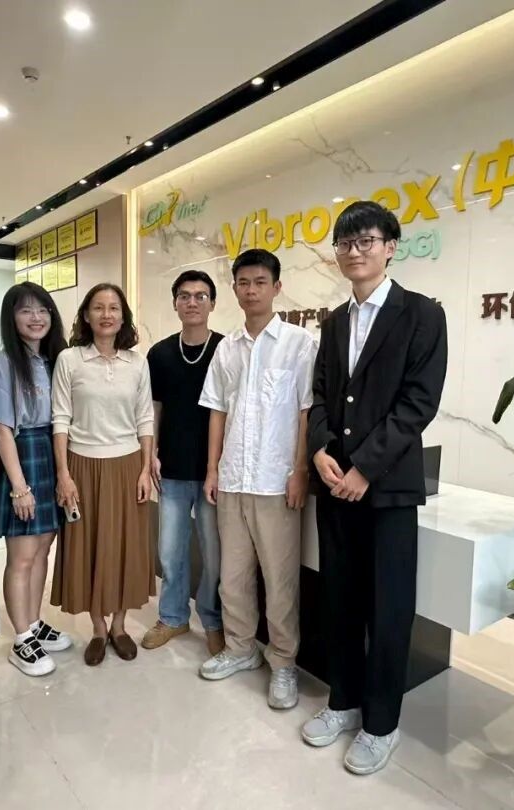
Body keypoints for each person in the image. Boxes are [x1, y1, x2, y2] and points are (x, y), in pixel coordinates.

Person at [302, 200, 447, 775]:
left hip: (386, 489)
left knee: (388, 608)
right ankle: (343, 700)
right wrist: (319, 449)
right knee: (339, 598)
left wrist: (364, 467)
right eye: (345, 243)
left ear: (390, 247)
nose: (354, 251)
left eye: (366, 241)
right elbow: (320, 394)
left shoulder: (422, 314)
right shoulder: (335, 320)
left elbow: (418, 403)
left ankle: (381, 723)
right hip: (334, 484)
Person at [198, 248, 316, 711]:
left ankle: (283, 662)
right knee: (233, 576)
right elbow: (217, 411)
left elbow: (306, 411)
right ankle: (241, 647)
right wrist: (213, 469)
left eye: (260, 282)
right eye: (243, 283)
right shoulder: (226, 348)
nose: (251, 291)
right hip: (233, 479)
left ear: (277, 287)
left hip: (275, 482)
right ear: (234, 289)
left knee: (280, 580)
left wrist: (300, 470)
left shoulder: (299, 343)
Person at [50, 283, 156, 666]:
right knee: (90, 547)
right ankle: (97, 627)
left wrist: (145, 469)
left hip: (128, 465)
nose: (106, 314)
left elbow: (145, 417)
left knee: (127, 547)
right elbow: (60, 418)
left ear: (123, 316)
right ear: (86, 315)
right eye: (98, 307)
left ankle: (120, 626)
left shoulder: (137, 363)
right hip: (82, 464)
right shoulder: (70, 360)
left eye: (113, 308)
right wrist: (63, 474)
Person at [0, 282, 72, 678]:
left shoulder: (55, 359)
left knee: (42, 549)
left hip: (52, 454)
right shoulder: (5, 363)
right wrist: (19, 487)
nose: (36, 317)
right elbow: (2, 429)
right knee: (21, 555)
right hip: (22, 455)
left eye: (42, 310)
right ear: (11, 318)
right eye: (25, 310)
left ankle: (34, 624)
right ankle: (21, 640)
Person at [142, 271, 225, 656]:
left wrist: (218, 466)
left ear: (212, 303)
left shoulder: (225, 349)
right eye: (185, 296)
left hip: (214, 473)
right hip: (172, 470)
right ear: (175, 303)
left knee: (215, 555)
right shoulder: (159, 354)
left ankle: (212, 620)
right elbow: (154, 408)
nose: (193, 302)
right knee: (170, 552)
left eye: (201, 296)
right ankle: (173, 617)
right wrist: (151, 454)